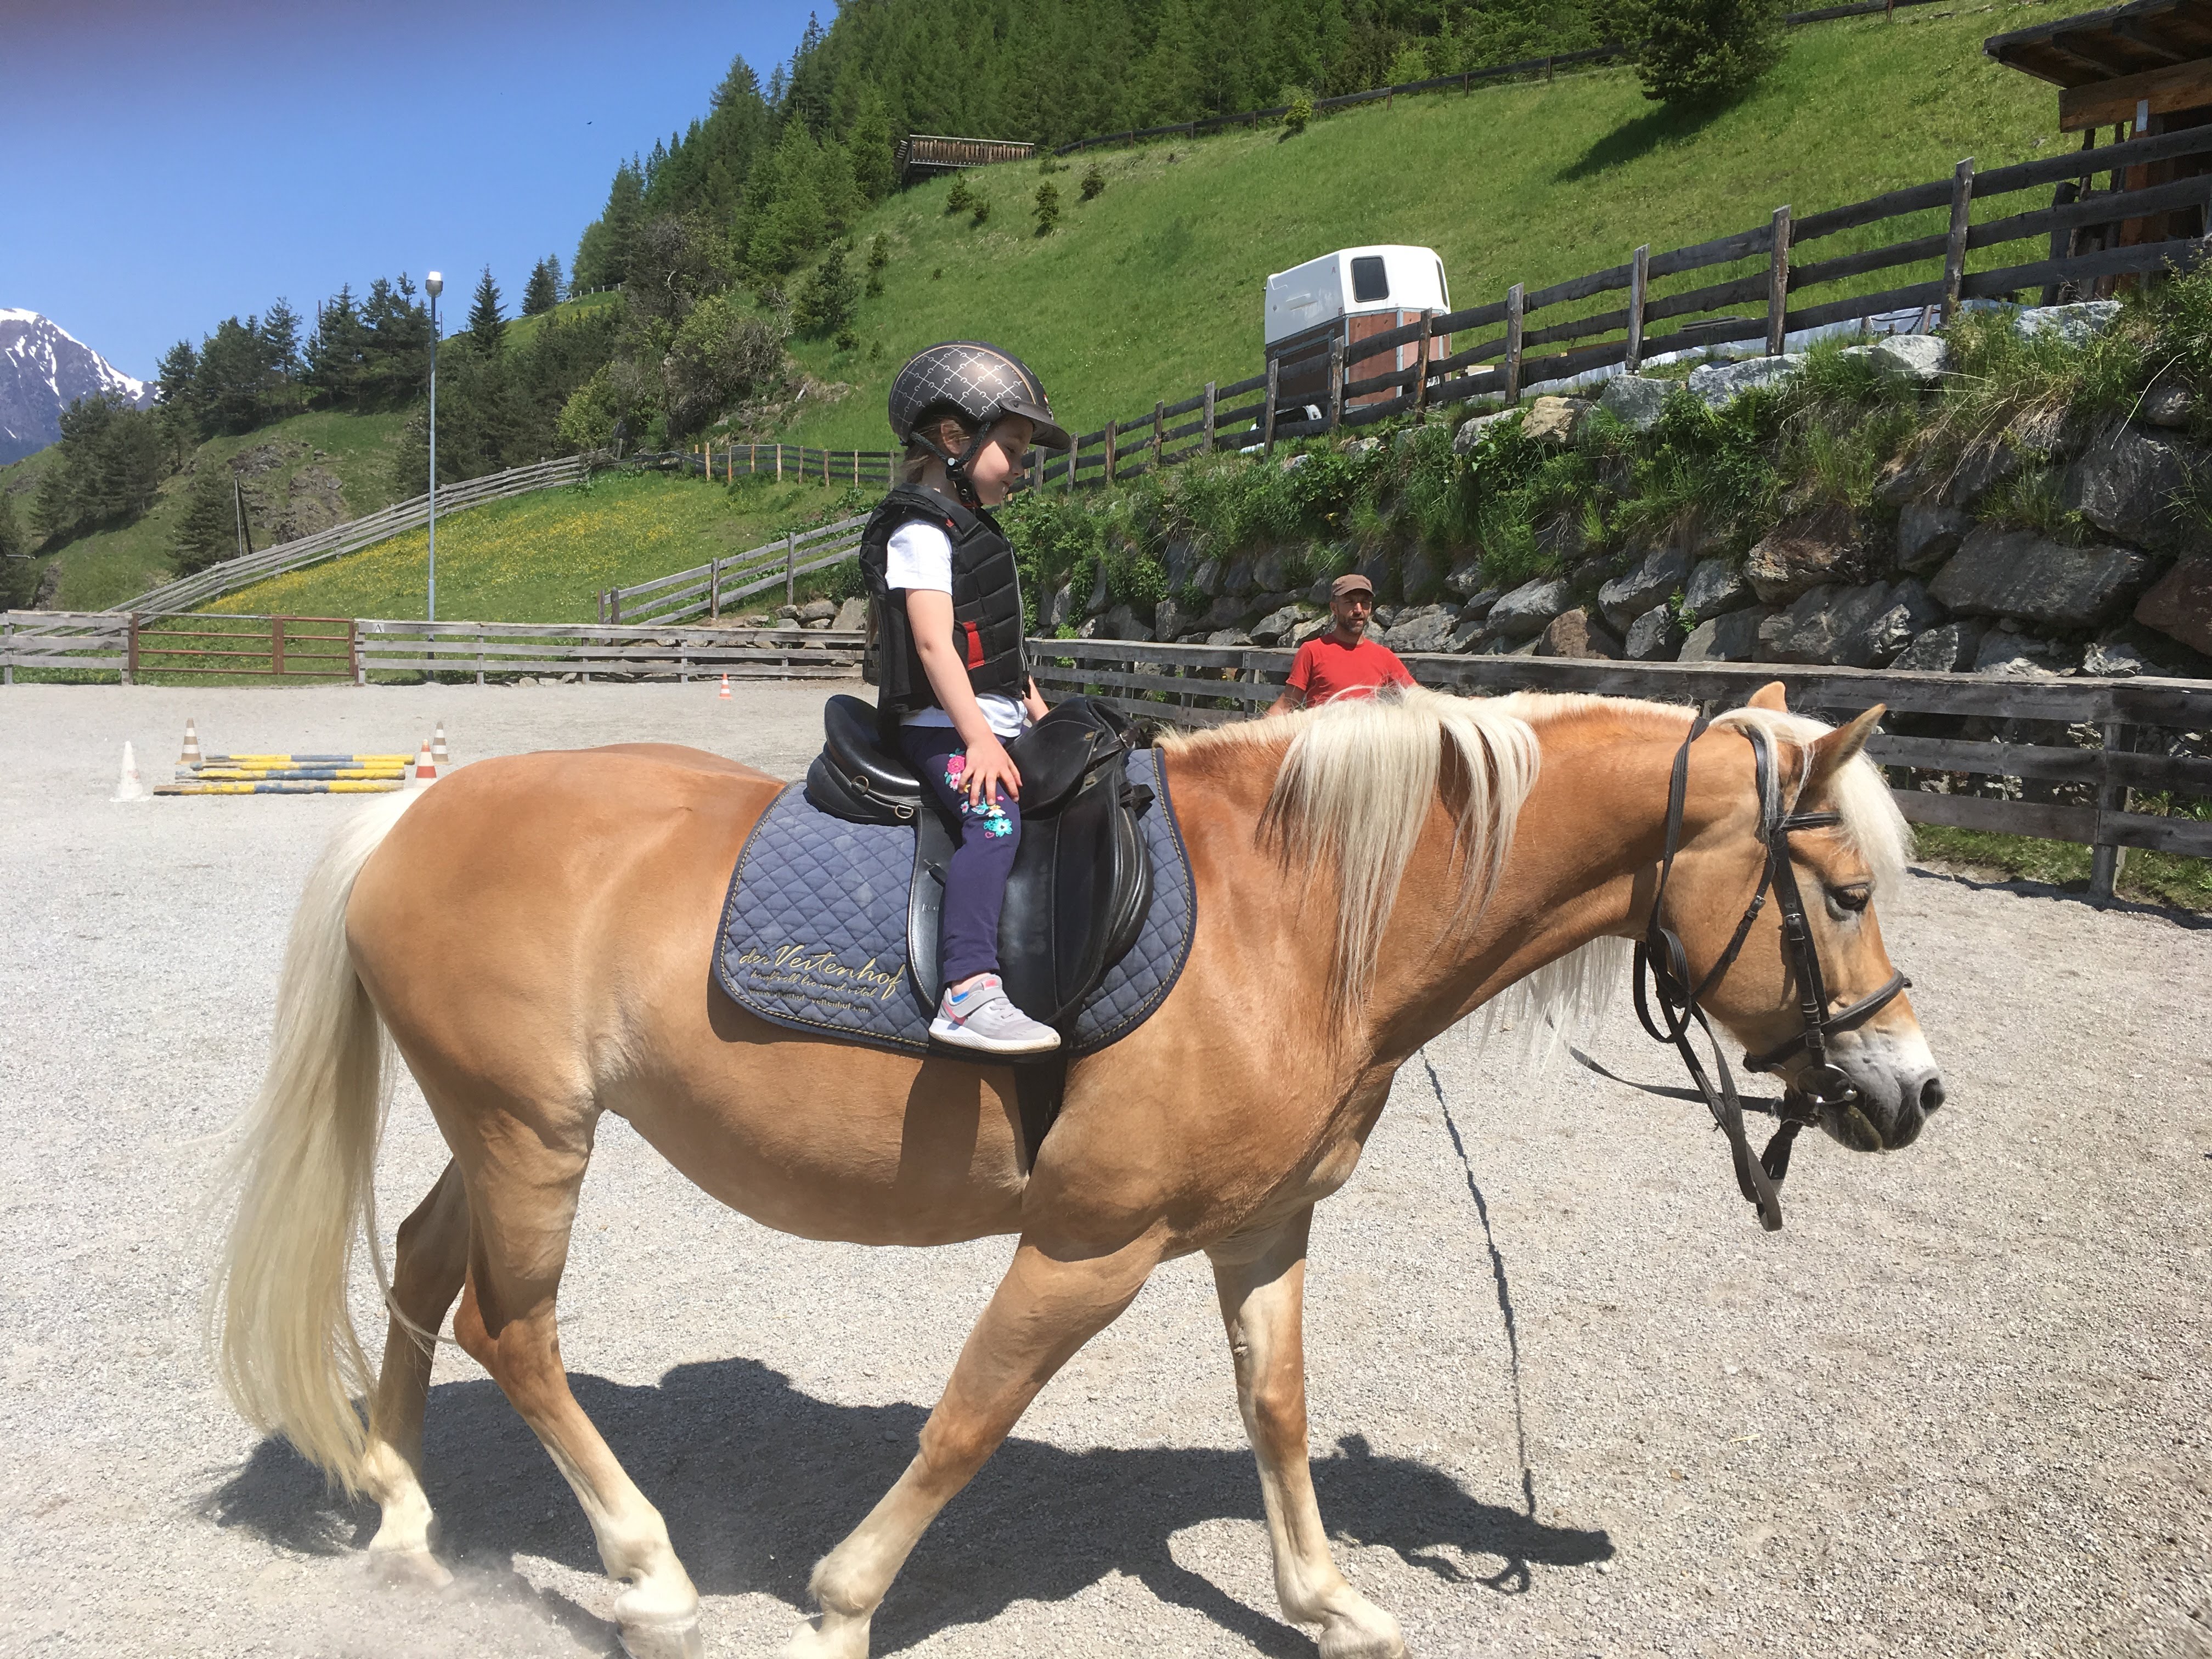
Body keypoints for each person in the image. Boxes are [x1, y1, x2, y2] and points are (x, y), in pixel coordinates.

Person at [858, 342, 1072, 1056]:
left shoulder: (974, 531)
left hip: (990, 721)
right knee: (996, 826)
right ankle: (970, 989)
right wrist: (979, 738)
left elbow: (1000, 657)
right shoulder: (921, 531)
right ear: (954, 438)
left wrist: (1044, 717)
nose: (1019, 468)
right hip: (940, 730)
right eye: (1010, 449)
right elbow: (932, 645)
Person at [1265, 572, 1416, 715]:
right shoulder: (1312, 651)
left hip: (1366, 741)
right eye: (1350, 602)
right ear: (1334, 608)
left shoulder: (1384, 656)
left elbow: (1416, 697)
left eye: (1365, 603)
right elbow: (1285, 706)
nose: (1358, 610)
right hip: (1324, 741)